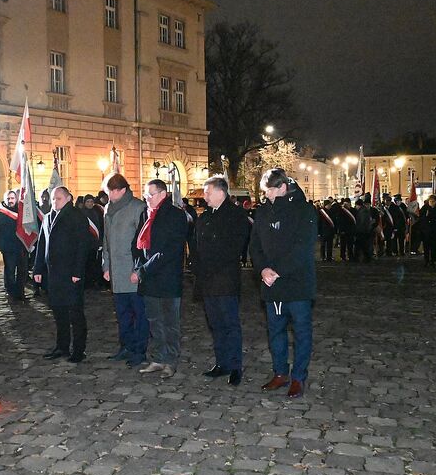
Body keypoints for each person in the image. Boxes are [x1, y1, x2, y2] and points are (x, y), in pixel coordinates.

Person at [250, 169, 317, 399]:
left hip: (297, 283)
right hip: (271, 283)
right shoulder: (263, 212)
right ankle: (280, 372)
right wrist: (262, 268)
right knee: (275, 331)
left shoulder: (304, 210)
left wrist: (279, 270)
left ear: (281, 187)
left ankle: (298, 377)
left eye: (268, 190)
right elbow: (255, 245)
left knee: (301, 333)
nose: (265, 195)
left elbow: (303, 248)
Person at [195, 176, 250, 384]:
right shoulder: (206, 216)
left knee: (230, 324)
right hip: (208, 280)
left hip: (225, 278)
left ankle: (235, 366)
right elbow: (197, 243)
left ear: (220, 192)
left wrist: (212, 264)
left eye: (207, 192)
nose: (205, 197)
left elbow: (234, 247)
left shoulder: (235, 215)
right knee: (215, 324)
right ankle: (221, 362)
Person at [133, 179, 188, 378]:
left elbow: (170, 250)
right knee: (154, 321)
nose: (147, 198)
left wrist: (144, 269)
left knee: (170, 322)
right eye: (146, 195)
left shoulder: (175, 215)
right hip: (149, 279)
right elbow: (137, 244)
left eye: (151, 194)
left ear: (163, 194)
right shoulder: (145, 214)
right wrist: (138, 266)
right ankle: (157, 357)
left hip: (167, 277)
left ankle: (170, 360)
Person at [34, 186, 89, 363]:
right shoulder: (48, 217)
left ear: (67, 198)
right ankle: (62, 346)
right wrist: (38, 268)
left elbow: (82, 246)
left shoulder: (76, 216)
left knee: (75, 313)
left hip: (70, 273)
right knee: (59, 312)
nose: (54, 201)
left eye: (58, 198)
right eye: (53, 198)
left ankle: (79, 350)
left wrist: (77, 271)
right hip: (54, 274)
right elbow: (42, 243)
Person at [102, 173, 148, 367]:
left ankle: (139, 350)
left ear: (122, 190)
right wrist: (106, 265)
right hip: (115, 271)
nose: (109, 195)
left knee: (139, 313)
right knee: (122, 314)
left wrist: (138, 270)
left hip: (132, 271)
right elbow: (105, 240)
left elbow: (144, 243)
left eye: (112, 191)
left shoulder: (138, 208)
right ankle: (126, 346)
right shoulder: (107, 209)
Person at [0, 189, 29, 302]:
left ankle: (20, 292)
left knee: (22, 271)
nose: (10, 200)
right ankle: (11, 292)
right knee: (10, 270)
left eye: (12, 198)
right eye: (8, 198)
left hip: (21, 246)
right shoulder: (1, 212)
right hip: (8, 246)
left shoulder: (21, 210)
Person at [81, 194, 104, 289]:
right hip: (85, 243)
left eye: (91, 202)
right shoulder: (81, 213)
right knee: (85, 264)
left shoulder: (96, 213)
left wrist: (99, 242)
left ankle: (92, 282)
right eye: (88, 202)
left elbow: (99, 227)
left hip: (94, 243)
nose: (90, 204)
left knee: (93, 264)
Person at [420, 194, 436, 268]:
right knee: (426, 247)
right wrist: (426, 217)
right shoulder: (424, 208)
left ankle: (433, 261)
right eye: (430, 201)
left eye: (433, 201)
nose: (432, 203)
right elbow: (421, 219)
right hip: (426, 231)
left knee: (434, 247)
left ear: (435, 202)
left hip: (434, 231)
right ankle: (426, 261)